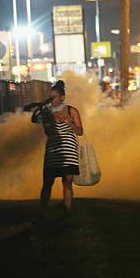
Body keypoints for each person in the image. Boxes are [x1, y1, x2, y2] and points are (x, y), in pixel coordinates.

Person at [32, 80, 83, 213]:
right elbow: (34, 120)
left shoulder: (72, 111)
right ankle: (42, 212)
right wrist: (40, 107)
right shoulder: (47, 112)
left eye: (54, 97)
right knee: (48, 182)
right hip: (53, 150)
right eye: (50, 97)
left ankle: (68, 211)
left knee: (67, 182)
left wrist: (69, 123)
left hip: (69, 151)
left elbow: (80, 131)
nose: (52, 100)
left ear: (62, 98)